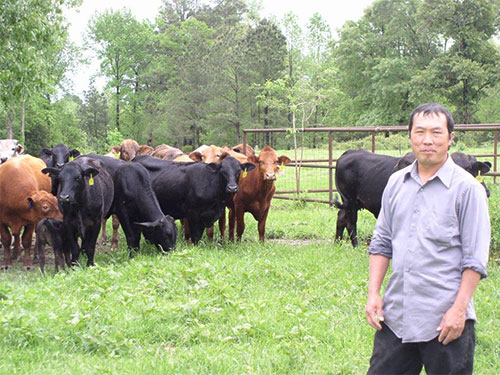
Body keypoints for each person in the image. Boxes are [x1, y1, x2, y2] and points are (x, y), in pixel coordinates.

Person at [365, 102, 490, 375]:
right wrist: (373, 293)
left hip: (445, 320)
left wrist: (458, 311)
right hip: (396, 315)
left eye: (436, 132)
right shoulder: (396, 183)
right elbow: (382, 242)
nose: (427, 140)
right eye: (420, 132)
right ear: (410, 136)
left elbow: (475, 260)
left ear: (450, 138)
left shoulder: (468, 190)